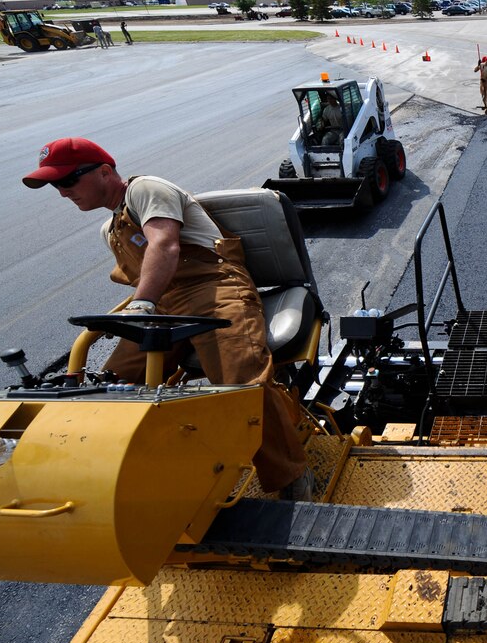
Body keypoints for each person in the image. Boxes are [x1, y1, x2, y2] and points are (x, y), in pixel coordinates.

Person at [22, 138, 312, 501]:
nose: (63, 193)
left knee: (241, 382)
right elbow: (148, 276)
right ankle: (128, 477)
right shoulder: (109, 230)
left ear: (105, 172)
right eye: (55, 186)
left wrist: (142, 303)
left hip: (215, 289)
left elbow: (165, 245)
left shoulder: (145, 189)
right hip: (165, 307)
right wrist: (141, 308)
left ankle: (291, 478)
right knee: (109, 387)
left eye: (67, 181)